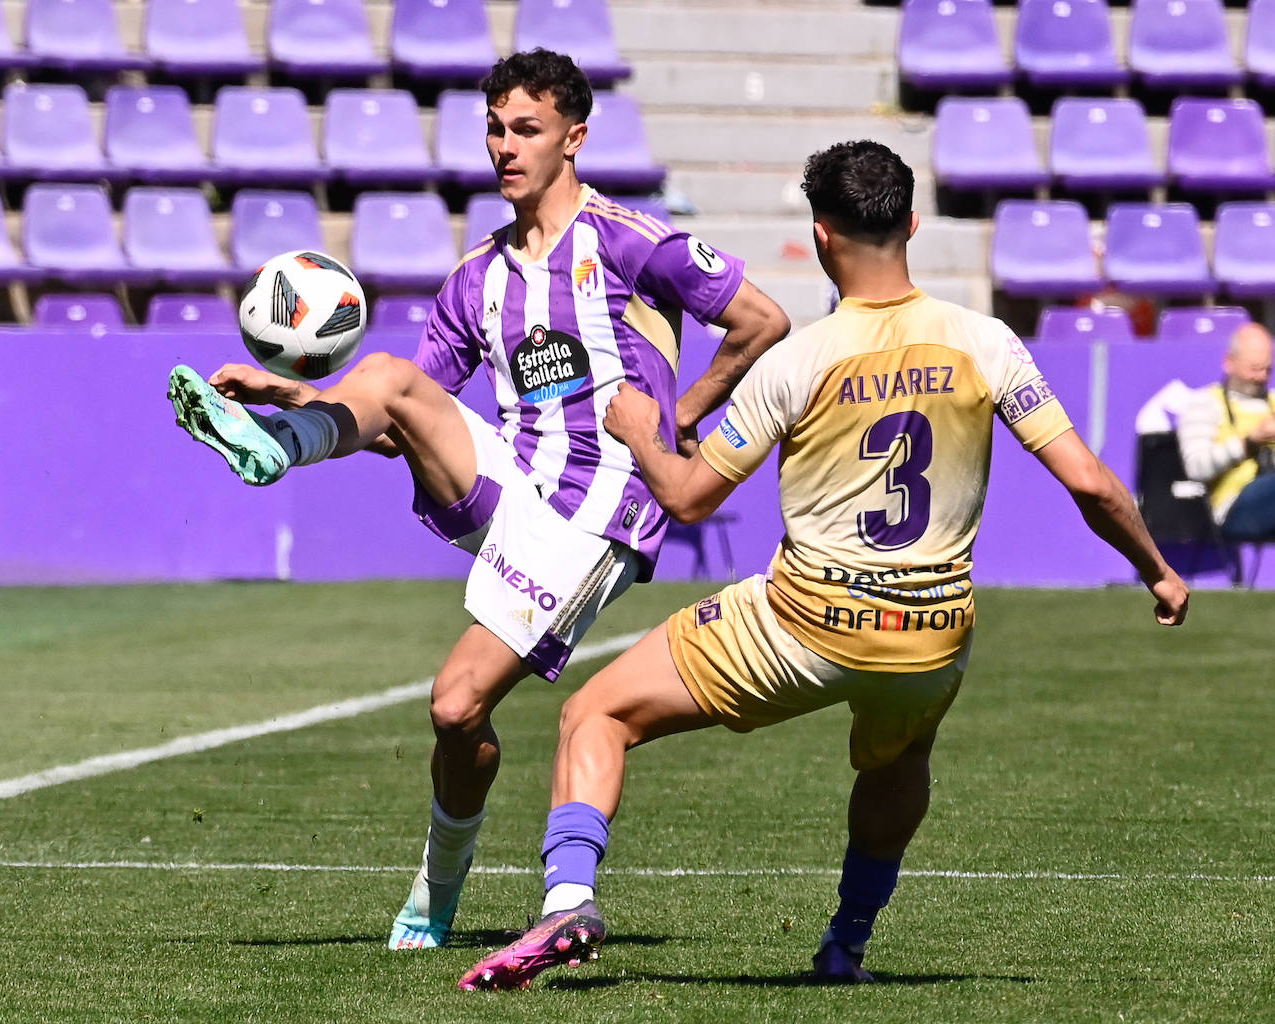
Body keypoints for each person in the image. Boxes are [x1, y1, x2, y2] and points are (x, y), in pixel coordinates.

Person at [458, 140, 1190, 991]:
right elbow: (1092, 485)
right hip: (929, 637)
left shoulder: (797, 362)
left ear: (818, 238)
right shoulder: (986, 342)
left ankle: (567, 902)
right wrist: (1159, 572)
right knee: (898, 758)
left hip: (802, 625)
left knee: (596, 714)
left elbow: (689, 498)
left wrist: (639, 435)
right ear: (911, 224)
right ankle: (845, 946)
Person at [166, 48, 790, 950]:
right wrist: (306, 397)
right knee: (384, 375)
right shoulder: (475, 280)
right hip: (513, 491)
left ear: (574, 137)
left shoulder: (627, 241)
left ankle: (434, 893)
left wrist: (675, 423)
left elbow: (761, 320)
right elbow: (400, 416)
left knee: (457, 707)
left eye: (526, 130)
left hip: (599, 508)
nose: (505, 147)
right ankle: (282, 443)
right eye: (494, 129)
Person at [1176, 323, 1275, 544]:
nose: (1261, 377)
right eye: (1255, 368)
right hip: (1233, 507)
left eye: (1268, 370)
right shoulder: (1206, 402)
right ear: (1229, 362)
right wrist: (1249, 442)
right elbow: (1196, 467)